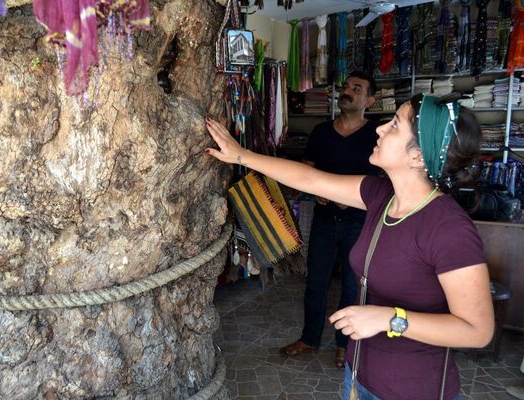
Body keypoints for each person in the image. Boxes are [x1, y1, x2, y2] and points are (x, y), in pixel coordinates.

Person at [205, 92, 494, 400]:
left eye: (395, 125)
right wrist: (240, 156)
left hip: (413, 389)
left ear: (418, 156)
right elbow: (311, 179)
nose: (380, 128)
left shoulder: (448, 228)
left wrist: (388, 318)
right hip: (359, 378)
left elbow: (477, 330)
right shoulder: (382, 195)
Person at [282, 71, 381, 369]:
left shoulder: (376, 135)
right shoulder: (321, 132)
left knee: (351, 287)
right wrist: (317, 193)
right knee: (315, 282)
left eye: (357, 88)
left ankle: (344, 345)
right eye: (347, 87)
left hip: (359, 223)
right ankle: (309, 338)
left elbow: (383, 180)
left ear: (370, 100)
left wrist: (354, 195)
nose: (348, 92)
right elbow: (307, 172)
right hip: (325, 220)